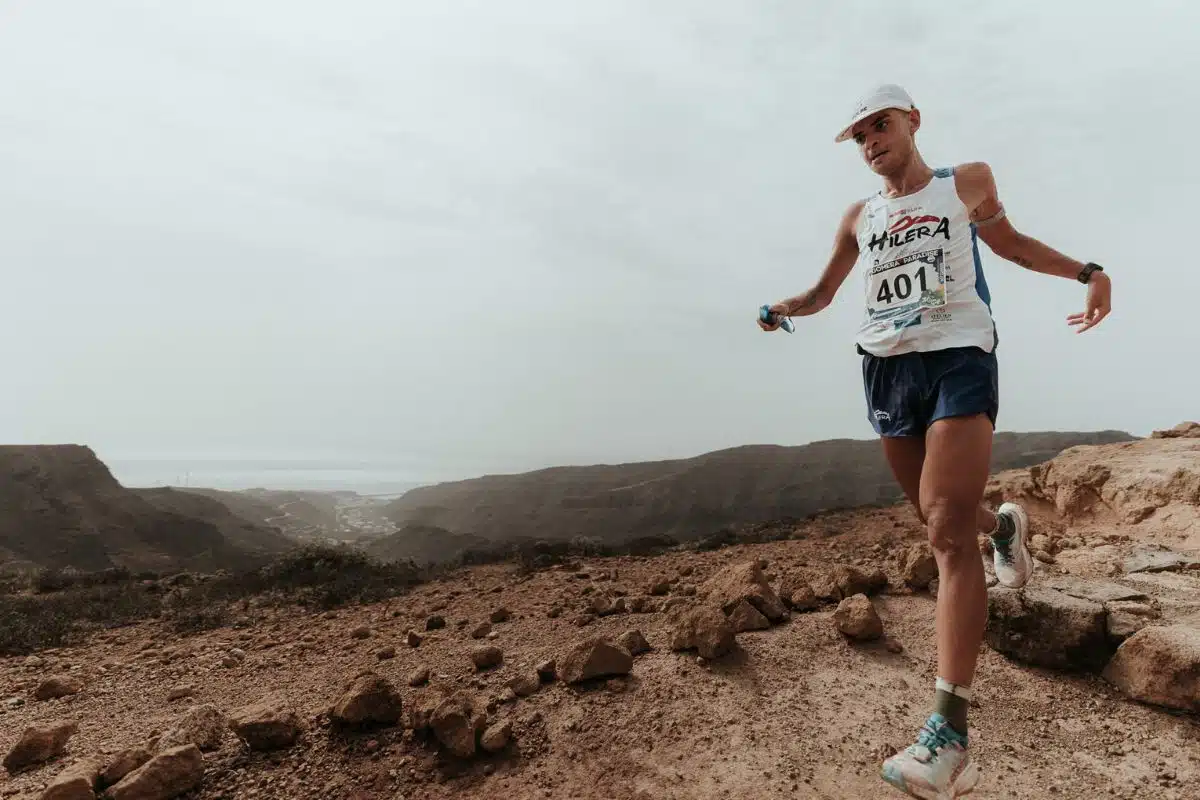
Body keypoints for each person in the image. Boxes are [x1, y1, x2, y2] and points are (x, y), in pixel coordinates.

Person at [758, 84, 1112, 799]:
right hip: (885, 369)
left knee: (943, 530)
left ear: (912, 122)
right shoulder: (860, 217)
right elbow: (824, 293)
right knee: (937, 512)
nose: (870, 142)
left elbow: (1009, 244)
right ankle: (1003, 526)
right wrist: (782, 307)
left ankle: (949, 734)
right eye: (859, 135)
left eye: (880, 125)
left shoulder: (965, 183)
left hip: (958, 356)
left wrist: (1088, 271)